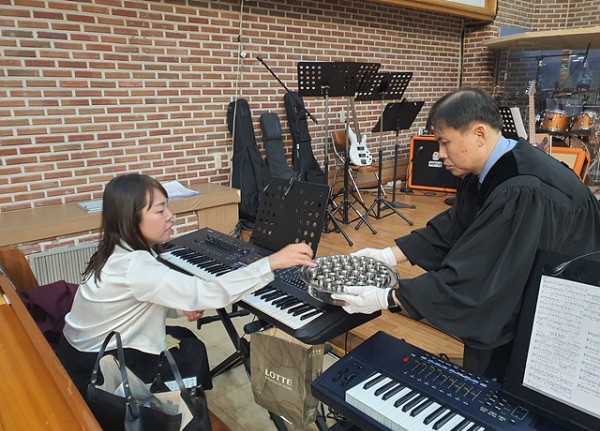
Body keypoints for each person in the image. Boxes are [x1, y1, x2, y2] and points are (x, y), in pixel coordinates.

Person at [332, 87, 600, 380]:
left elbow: (478, 275)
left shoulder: (521, 189)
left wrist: (388, 297)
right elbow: (457, 226)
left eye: (445, 142)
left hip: (563, 297)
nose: (439, 154)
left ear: (479, 134)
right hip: (526, 272)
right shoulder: (496, 166)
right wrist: (388, 256)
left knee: (506, 373)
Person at [57, 173, 315, 394]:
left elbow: (136, 303)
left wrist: (179, 308)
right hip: (98, 369)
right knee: (191, 352)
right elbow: (211, 292)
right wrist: (270, 263)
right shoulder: (135, 266)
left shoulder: (115, 249)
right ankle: (188, 414)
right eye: (160, 211)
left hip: (80, 353)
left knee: (187, 340)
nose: (171, 216)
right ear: (130, 219)